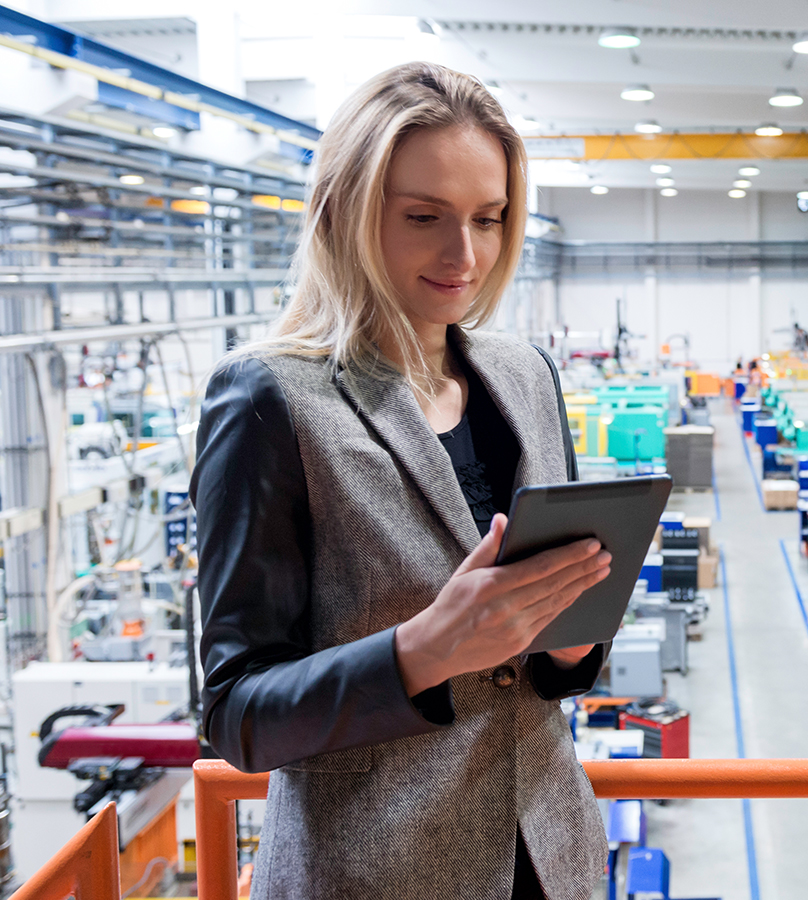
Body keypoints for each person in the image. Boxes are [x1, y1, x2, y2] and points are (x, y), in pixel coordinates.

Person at [190, 62, 613, 900]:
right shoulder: (272, 399)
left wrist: (573, 643)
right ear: (345, 211)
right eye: (425, 217)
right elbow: (236, 716)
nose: (466, 256)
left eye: (489, 219)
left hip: (551, 860)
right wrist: (420, 651)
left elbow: (540, 671)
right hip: (372, 875)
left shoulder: (525, 374)